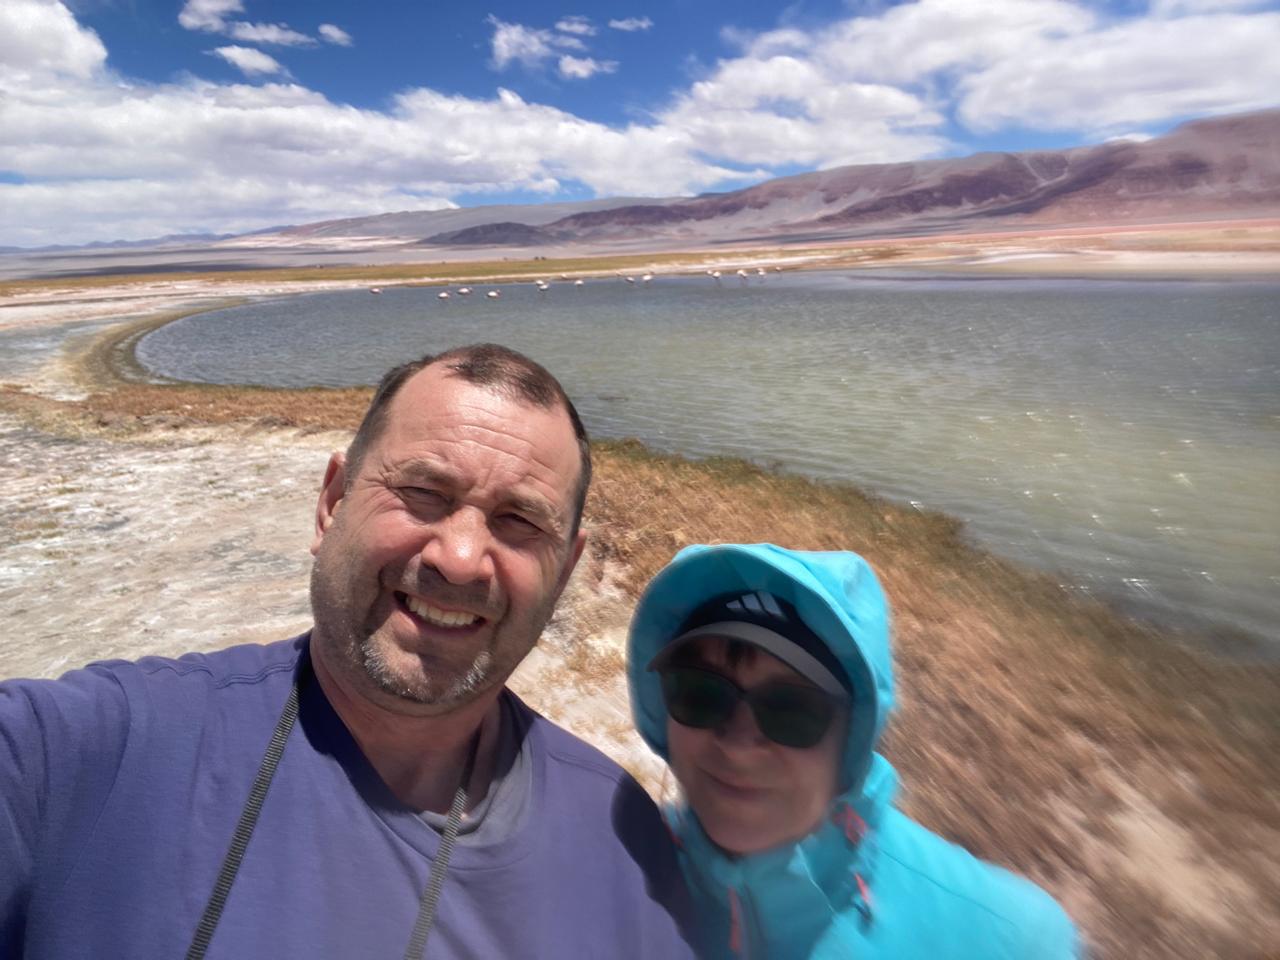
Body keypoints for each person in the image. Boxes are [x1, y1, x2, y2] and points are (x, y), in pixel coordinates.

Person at [0, 343, 694, 959]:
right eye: (423, 492)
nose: (459, 558)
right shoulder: (88, 755)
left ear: (566, 569)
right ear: (332, 503)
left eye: (518, 521)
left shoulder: (619, 837)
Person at [628, 542, 1079, 959]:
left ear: (854, 737)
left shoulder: (1010, 940)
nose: (739, 742)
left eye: (791, 709)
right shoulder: (619, 865)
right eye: (701, 693)